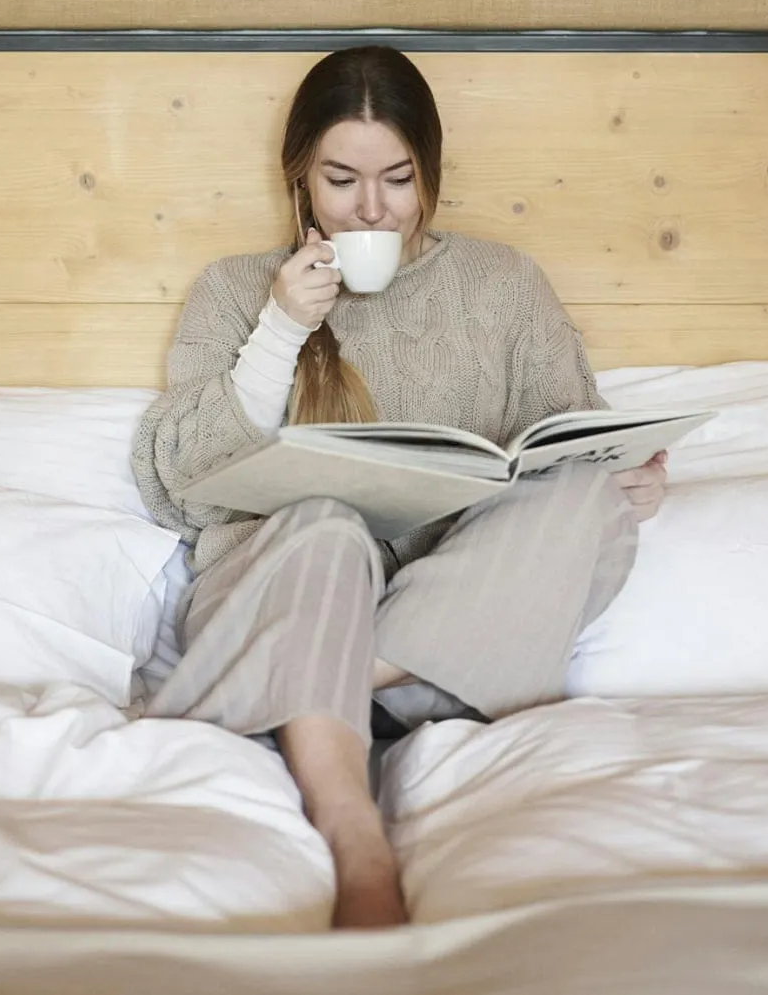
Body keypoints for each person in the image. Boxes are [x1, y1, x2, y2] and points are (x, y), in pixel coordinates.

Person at [130, 45, 667, 929]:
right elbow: (179, 484)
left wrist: (627, 480)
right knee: (326, 525)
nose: (371, 208)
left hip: (435, 645)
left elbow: (569, 444)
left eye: (397, 179)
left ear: (431, 174)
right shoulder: (233, 291)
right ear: (299, 174)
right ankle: (357, 839)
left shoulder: (502, 285)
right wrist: (278, 332)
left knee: (583, 504)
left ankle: (316, 675)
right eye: (341, 180)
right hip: (286, 585)